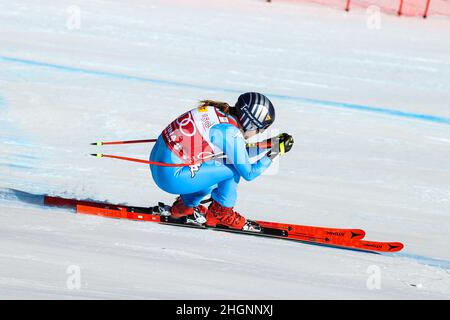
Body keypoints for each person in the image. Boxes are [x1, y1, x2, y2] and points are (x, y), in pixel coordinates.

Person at [149, 92, 293, 230]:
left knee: (216, 170)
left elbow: (238, 152)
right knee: (232, 169)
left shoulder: (215, 112)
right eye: (259, 130)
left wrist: (271, 144)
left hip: (159, 165)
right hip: (170, 178)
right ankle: (221, 212)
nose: (257, 134)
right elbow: (249, 172)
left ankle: (184, 207)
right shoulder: (230, 132)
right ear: (250, 123)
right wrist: (275, 152)